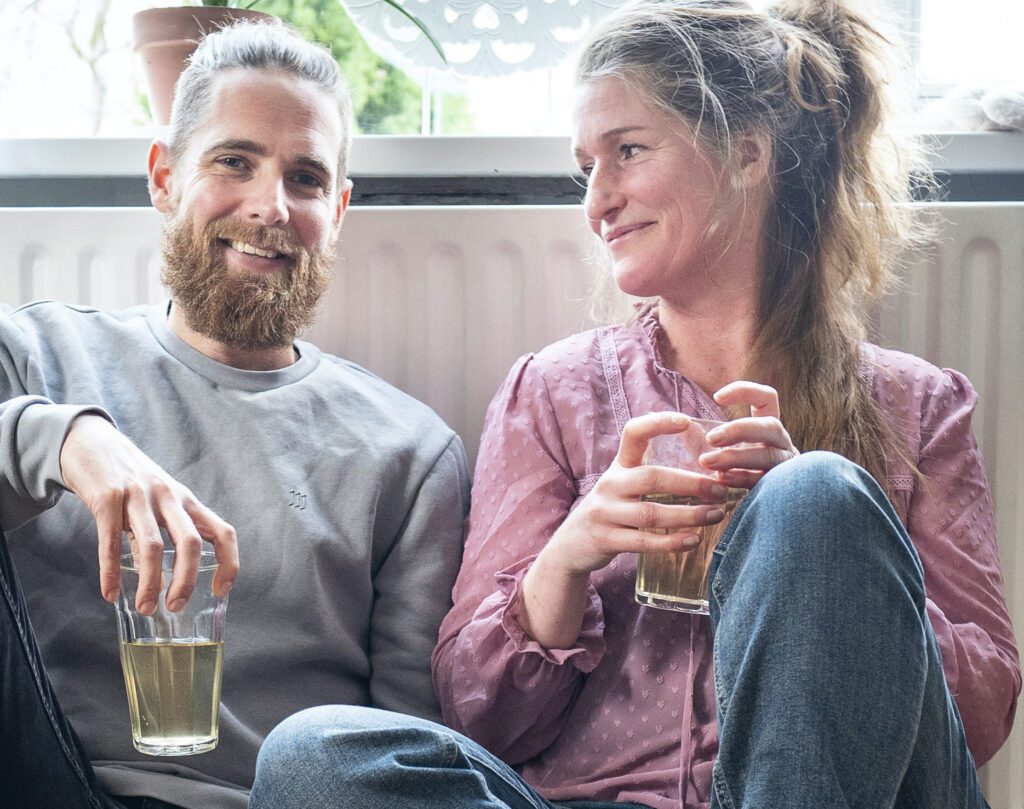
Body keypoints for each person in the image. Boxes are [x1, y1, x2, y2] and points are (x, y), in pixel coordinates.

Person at [248, 1, 1020, 808]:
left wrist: (824, 559)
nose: (597, 200)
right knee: (314, 755)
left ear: (748, 153)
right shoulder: (553, 393)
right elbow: (480, 718)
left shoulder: (918, 406)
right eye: (588, 166)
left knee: (815, 498)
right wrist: (569, 555)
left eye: (628, 151)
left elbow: (985, 711)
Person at [0, 21, 469, 809]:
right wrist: (67, 438)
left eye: (307, 178)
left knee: (321, 754)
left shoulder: (411, 453)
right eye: (234, 161)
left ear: (340, 209)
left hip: (274, 798)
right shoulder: (37, 354)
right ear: (164, 177)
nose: (270, 206)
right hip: (41, 775)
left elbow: (403, 738)